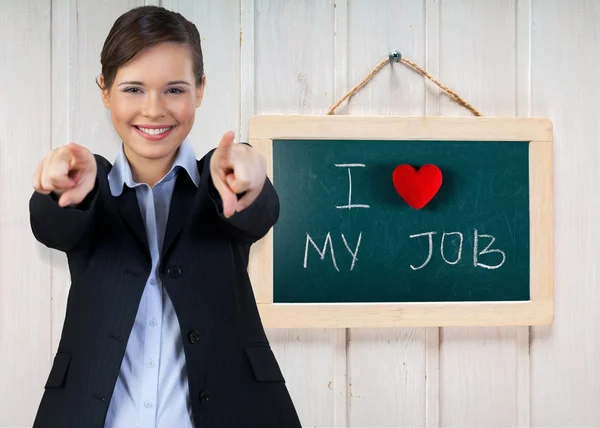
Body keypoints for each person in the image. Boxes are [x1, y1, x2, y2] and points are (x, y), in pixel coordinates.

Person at [29, 5, 301, 428]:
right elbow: (52, 225)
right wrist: (61, 192)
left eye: (174, 90)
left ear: (200, 89)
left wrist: (250, 180)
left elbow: (257, 214)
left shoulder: (219, 181)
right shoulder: (91, 186)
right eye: (134, 89)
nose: (154, 110)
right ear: (104, 90)